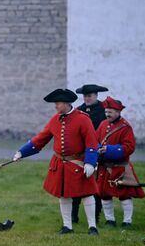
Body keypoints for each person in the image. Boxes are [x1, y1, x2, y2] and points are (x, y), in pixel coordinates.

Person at [13, 88, 100, 235]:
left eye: (57, 103)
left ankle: (92, 227)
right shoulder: (55, 119)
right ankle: (67, 227)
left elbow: (92, 143)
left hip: (78, 163)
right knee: (63, 195)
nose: (55, 106)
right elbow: (40, 139)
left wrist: (90, 162)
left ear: (66, 103)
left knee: (86, 194)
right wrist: (22, 152)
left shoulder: (83, 119)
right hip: (60, 164)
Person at [96, 96, 145, 228]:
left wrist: (109, 150)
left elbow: (129, 147)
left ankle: (127, 222)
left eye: (110, 112)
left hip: (120, 167)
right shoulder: (102, 124)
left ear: (118, 112)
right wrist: (98, 150)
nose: (107, 114)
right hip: (104, 167)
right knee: (104, 195)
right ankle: (110, 220)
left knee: (124, 195)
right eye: (106, 112)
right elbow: (96, 141)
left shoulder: (125, 127)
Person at [71, 84, 108, 224]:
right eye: (85, 96)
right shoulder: (79, 111)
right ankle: (74, 216)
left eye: (89, 96)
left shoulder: (104, 110)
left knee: (95, 187)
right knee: (76, 185)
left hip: (97, 151)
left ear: (96, 96)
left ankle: (96, 217)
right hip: (80, 153)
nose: (87, 98)